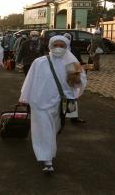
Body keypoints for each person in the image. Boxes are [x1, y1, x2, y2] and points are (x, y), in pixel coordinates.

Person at [19, 35, 86, 174]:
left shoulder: (72, 63)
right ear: (50, 46)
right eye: (56, 45)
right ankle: (47, 160)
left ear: (67, 48)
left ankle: (48, 151)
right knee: (43, 129)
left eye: (62, 46)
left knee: (54, 129)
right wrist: (24, 97)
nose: (59, 48)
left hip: (60, 103)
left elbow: (80, 84)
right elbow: (30, 80)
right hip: (40, 102)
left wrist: (77, 79)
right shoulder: (39, 62)